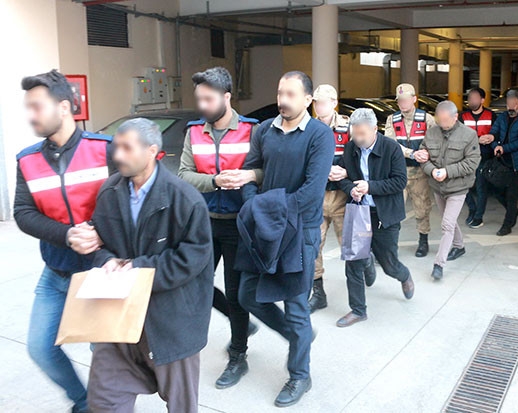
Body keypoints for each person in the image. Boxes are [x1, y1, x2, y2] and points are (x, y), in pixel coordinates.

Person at [88, 118, 214, 412]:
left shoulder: (185, 199)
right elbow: (100, 244)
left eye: (127, 148)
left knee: (181, 406)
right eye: (116, 147)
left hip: (170, 323)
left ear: (151, 151)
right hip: (119, 321)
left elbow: (194, 257)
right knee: (103, 401)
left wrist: (137, 269)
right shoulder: (109, 192)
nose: (117, 155)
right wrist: (107, 261)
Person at [14, 70, 115, 413]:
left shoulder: (104, 149)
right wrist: (67, 234)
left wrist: (99, 232)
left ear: (63, 107)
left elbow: (130, 202)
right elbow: (23, 212)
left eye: (37, 106)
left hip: (101, 271)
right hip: (56, 271)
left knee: (105, 353)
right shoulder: (27, 160)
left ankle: (105, 404)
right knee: (40, 347)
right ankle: (83, 402)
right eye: (28, 107)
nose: (31, 115)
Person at [237, 71, 334, 407]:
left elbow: (311, 192)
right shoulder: (264, 130)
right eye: (280, 93)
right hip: (265, 228)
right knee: (247, 294)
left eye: (291, 94)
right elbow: (251, 172)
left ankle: (299, 375)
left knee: (296, 307)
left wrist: (265, 207)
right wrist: (254, 206)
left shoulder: (320, 135)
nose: (283, 100)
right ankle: (296, 335)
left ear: (308, 99)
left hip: (300, 232)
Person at [178, 67, 260, 389]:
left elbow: (266, 171)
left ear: (226, 97)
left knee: (237, 295)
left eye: (208, 99)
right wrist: (214, 181)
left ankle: (238, 355)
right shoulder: (194, 132)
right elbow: (183, 174)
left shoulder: (252, 130)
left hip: (239, 224)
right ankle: (240, 324)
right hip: (203, 223)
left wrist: (248, 176)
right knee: (194, 285)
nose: (202, 105)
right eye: (199, 98)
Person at [336, 108, 414, 327]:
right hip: (359, 212)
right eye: (354, 134)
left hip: (384, 215)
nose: (357, 139)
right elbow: (343, 177)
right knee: (353, 263)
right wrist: (351, 189)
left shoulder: (391, 148)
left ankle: (404, 275)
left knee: (389, 264)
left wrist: (370, 187)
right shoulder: (351, 148)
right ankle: (358, 310)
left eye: (362, 134)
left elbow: (400, 181)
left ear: (374, 130)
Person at [307, 84, 376, 313]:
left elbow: (363, 157)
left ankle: (366, 261)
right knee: (313, 246)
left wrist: (347, 172)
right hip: (317, 197)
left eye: (323, 102)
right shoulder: (308, 128)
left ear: (334, 103)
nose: (319, 107)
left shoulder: (348, 128)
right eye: (316, 103)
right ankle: (318, 292)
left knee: (351, 245)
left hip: (342, 196)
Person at [419, 101, 480, 280]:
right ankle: (459, 246)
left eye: (446, 120)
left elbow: (472, 162)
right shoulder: (431, 133)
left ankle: (439, 264)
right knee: (449, 220)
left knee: (446, 224)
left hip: (458, 187)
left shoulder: (469, 135)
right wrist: (432, 170)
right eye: (440, 120)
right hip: (438, 186)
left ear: (455, 117)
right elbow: (423, 157)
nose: (442, 124)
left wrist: (447, 172)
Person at [384, 83, 437, 257]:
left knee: (422, 208)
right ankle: (391, 245)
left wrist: (426, 153)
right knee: (394, 210)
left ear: (414, 99)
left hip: (419, 173)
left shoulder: (427, 118)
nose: (402, 103)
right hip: (398, 172)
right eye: (400, 100)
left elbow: (436, 141)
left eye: (406, 99)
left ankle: (423, 240)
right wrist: (412, 153)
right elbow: (390, 144)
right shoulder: (392, 119)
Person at [479, 89, 518, 236]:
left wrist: (504, 148)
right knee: (495, 188)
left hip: (517, 162)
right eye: (508, 104)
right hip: (501, 160)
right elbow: (494, 132)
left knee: (511, 193)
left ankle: (507, 224)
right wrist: (492, 141)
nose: (510, 108)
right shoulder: (502, 117)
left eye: (513, 104)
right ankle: (513, 211)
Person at [459, 87, 496, 227]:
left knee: (481, 187)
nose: (471, 101)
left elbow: (497, 133)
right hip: (466, 157)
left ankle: (478, 216)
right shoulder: (463, 116)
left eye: (475, 98)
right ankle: (472, 208)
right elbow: (458, 137)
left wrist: (492, 137)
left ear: (482, 100)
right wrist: (477, 140)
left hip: (484, 157)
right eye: (470, 98)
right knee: (463, 186)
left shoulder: (491, 115)